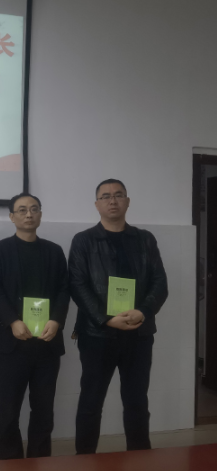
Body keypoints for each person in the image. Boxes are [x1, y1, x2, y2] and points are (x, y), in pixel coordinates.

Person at [69, 179, 168, 454]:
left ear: (127, 201)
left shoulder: (145, 239)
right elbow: (77, 285)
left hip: (138, 333)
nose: (112, 200)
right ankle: (84, 459)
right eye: (105, 196)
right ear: (97, 204)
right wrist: (106, 319)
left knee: (137, 402)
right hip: (97, 335)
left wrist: (143, 311)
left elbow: (160, 283)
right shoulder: (83, 240)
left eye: (118, 195)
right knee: (91, 402)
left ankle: (139, 459)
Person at [0, 193, 70, 460]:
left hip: (47, 342)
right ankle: (9, 465)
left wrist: (56, 320)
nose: (29, 214)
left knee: (44, 411)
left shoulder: (54, 251)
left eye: (34, 209)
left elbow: (64, 289)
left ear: (40, 215)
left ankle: (39, 462)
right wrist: (13, 320)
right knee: (9, 411)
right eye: (22, 210)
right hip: (12, 343)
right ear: (12, 217)